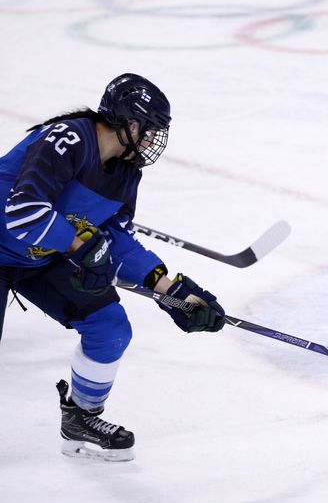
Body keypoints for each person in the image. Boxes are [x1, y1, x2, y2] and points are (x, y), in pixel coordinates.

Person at [0, 73, 226, 461]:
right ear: (129, 122)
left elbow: (114, 237)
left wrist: (170, 290)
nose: (153, 141)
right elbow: (22, 211)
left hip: (39, 258)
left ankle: (81, 419)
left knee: (110, 328)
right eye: (150, 130)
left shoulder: (126, 173)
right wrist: (79, 246)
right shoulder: (68, 138)